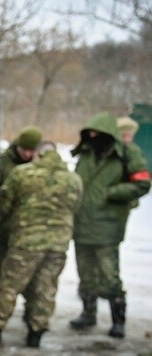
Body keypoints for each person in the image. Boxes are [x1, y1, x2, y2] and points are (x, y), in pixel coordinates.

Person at [0, 141, 82, 348]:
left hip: (26, 242)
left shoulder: (22, 174)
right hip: (58, 244)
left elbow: (3, 205)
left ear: (37, 155)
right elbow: (75, 207)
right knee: (45, 288)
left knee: (10, 286)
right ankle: (36, 332)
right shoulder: (74, 180)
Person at [68, 112, 150, 338]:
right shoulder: (85, 153)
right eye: (90, 133)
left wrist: (111, 193)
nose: (92, 137)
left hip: (108, 226)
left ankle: (118, 319)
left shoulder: (126, 153)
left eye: (97, 133)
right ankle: (88, 312)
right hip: (82, 223)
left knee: (109, 275)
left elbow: (143, 183)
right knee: (85, 273)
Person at [0, 126, 43, 285]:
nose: (27, 154)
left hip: (29, 229)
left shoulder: (41, 166)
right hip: (5, 226)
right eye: (24, 149)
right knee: (3, 270)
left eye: (31, 150)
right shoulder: (3, 162)